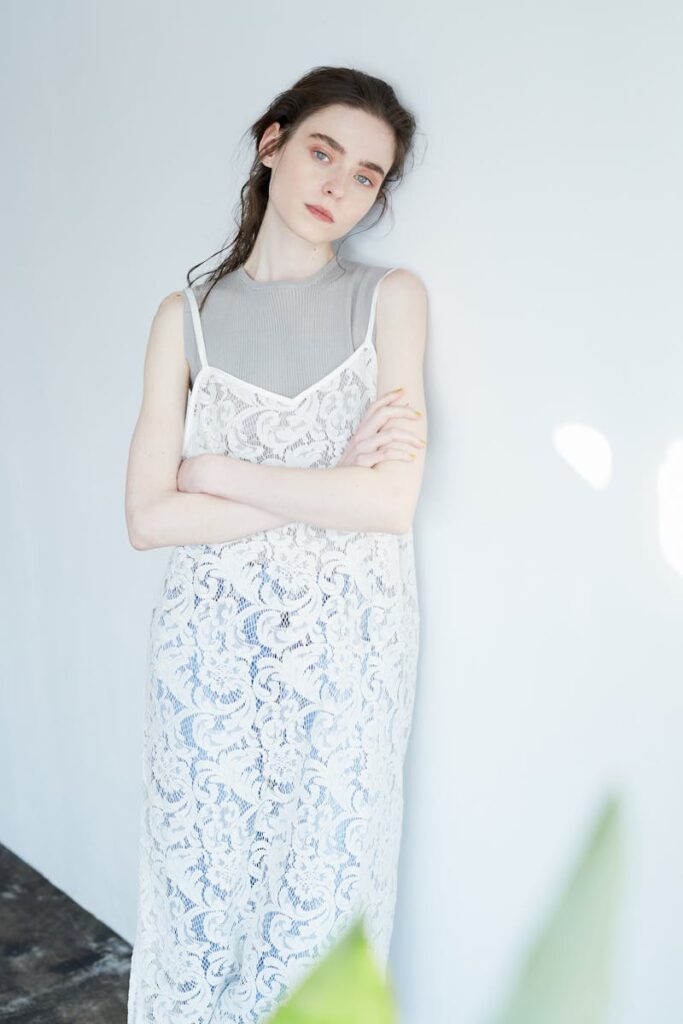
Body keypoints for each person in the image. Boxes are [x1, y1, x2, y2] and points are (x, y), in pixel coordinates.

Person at [124, 65, 428, 1024]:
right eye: (322, 152)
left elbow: (387, 504)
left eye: (367, 175)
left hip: (350, 659)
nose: (338, 186)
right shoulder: (186, 320)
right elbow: (147, 520)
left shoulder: (391, 300)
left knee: (323, 909)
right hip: (208, 658)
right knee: (200, 901)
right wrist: (321, 484)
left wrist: (215, 473)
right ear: (272, 143)